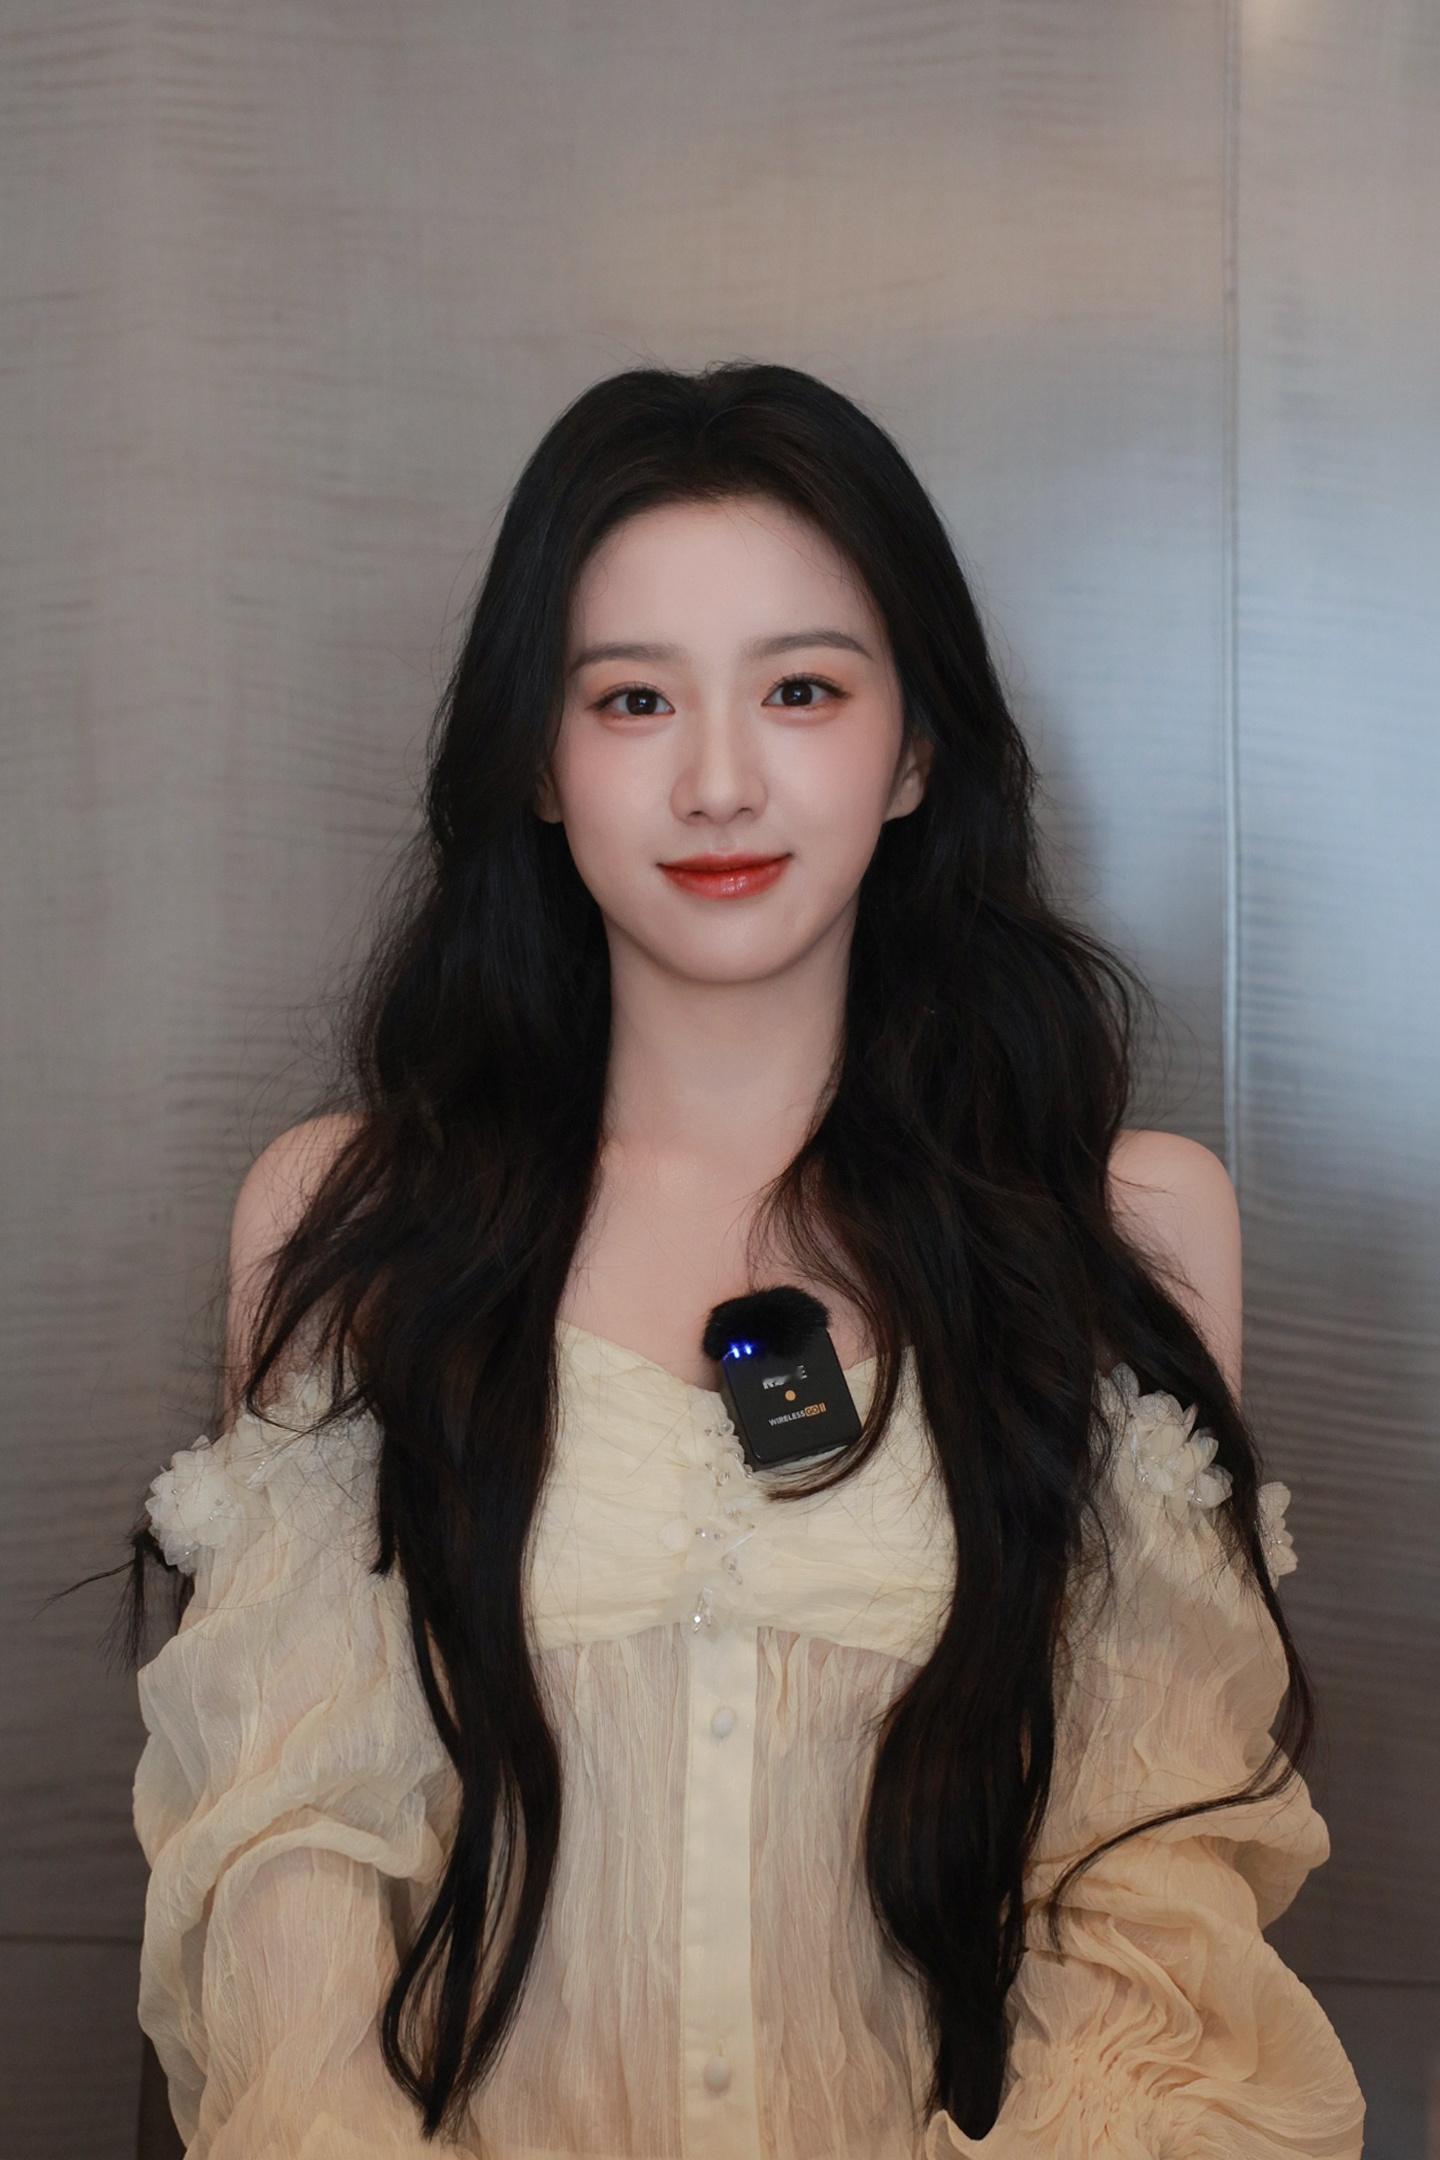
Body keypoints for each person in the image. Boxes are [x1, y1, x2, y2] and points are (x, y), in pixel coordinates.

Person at [115, 361, 1365, 2157]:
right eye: (633, 699)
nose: (718, 781)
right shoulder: (351, 1226)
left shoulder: (1123, 1229)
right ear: (538, 764)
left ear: (915, 749)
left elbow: (1147, 1909)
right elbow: (284, 1895)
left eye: (801, 689)